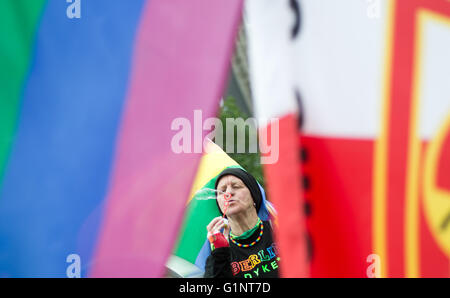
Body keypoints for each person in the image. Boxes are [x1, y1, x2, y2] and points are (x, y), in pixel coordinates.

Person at [204, 168, 279, 278]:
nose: (228, 193)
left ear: (254, 195)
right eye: (222, 191)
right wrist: (219, 254)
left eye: (236, 186)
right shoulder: (219, 248)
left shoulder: (277, 227)